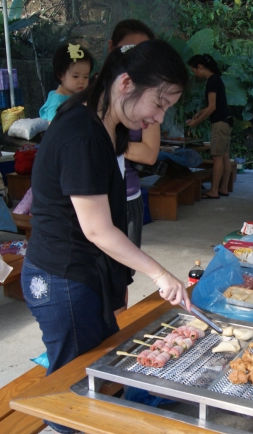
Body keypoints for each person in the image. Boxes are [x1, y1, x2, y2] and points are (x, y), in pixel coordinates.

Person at [21, 39, 191, 434]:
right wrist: (160, 273)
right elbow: (97, 229)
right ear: (125, 82)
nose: (158, 117)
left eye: (167, 108)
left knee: (95, 357)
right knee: (70, 366)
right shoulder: (80, 134)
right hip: (61, 274)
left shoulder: (104, 126)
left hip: (84, 270)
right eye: (159, 102)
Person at [106, 19, 158, 314]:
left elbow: (150, 153)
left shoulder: (150, 95)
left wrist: (107, 143)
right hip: (96, 199)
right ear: (112, 48)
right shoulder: (93, 96)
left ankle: (117, 328)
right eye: (130, 49)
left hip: (127, 197)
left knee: (120, 277)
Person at [186, 54, 233, 199]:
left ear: (200, 67)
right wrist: (200, 112)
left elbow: (212, 107)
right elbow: (214, 105)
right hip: (226, 121)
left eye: (194, 71)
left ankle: (213, 190)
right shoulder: (216, 80)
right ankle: (223, 188)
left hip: (219, 123)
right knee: (224, 156)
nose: (195, 74)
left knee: (217, 157)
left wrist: (196, 122)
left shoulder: (212, 81)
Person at [39, 43, 94, 121]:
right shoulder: (57, 103)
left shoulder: (77, 94)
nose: (82, 81)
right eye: (75, 76)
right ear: (60, 75)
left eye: (86, 77)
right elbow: (54, 128)